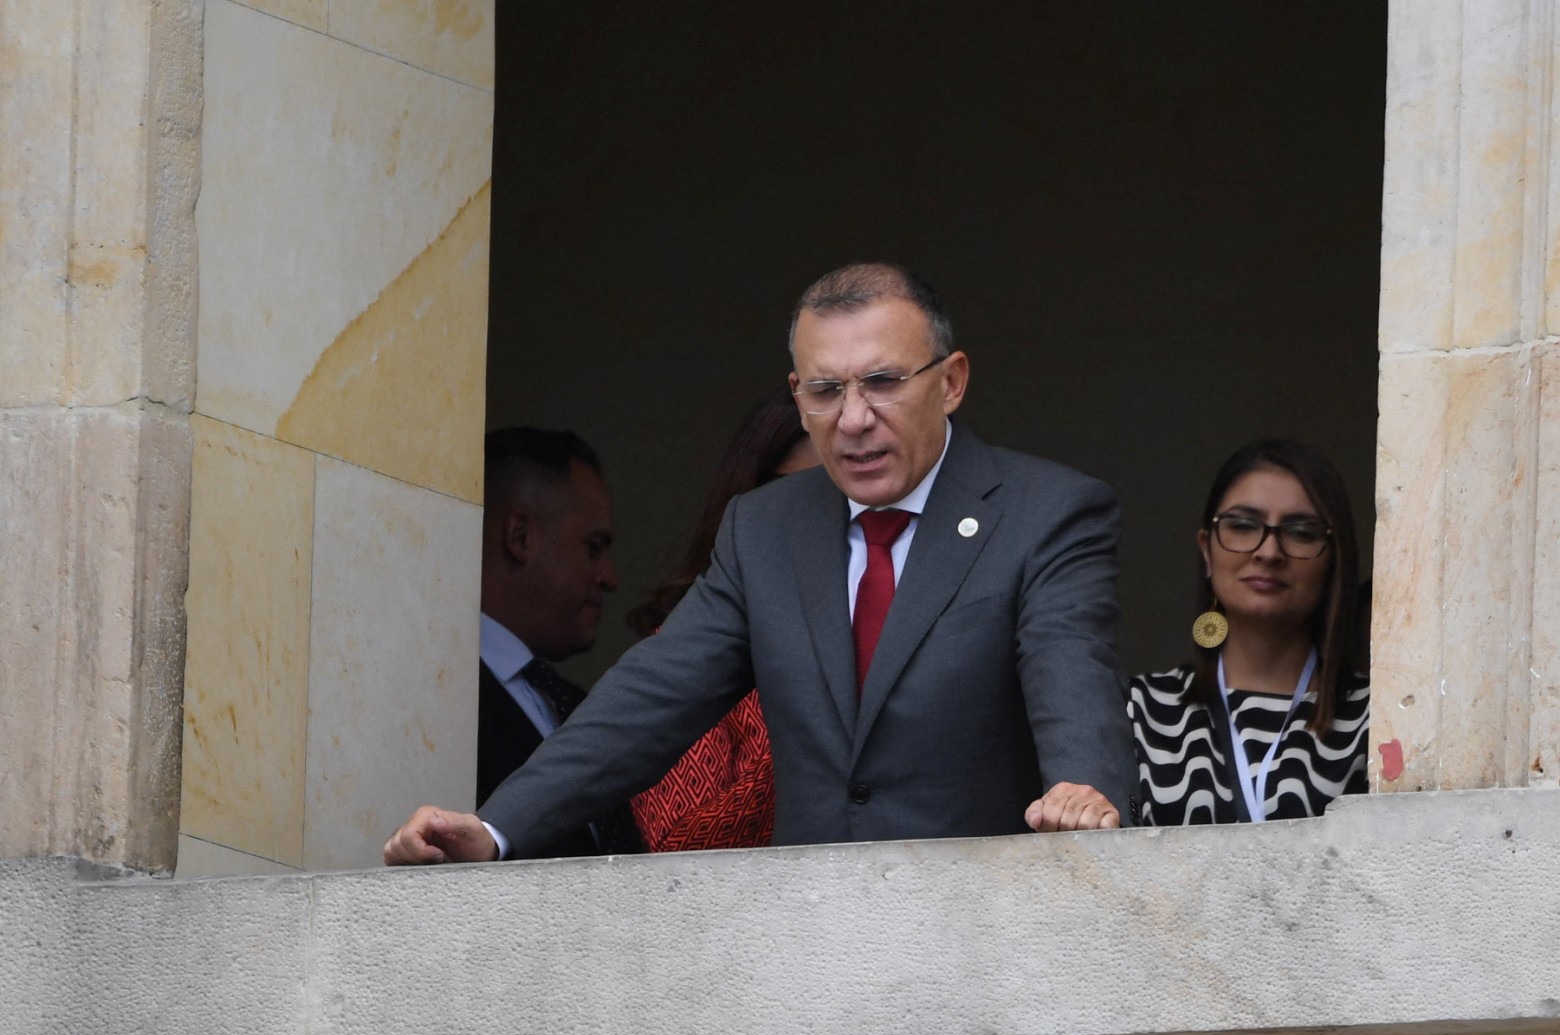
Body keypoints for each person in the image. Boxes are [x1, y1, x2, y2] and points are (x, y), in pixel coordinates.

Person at [385, 262, 1134, 865]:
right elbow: (650, 699)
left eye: (882, 382)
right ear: (796, 396)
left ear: (951, 381)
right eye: (825, 389)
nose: (853, 418)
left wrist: (1083, 790)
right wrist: (495, 830)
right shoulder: (766, 528)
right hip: (802, 947)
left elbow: (1069, 670)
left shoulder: (1045, 512)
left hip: (978, 935)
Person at [1128, 438, 1369, 825]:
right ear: (1207, 550)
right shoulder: (1137, 710)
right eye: (1242, 525)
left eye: (1301, 532)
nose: (1269, 551)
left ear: (1333, 559)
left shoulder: (1376, 719)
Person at [623, 391, 819, 851]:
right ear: (750, 503)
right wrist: (818, 730)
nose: (830, 520)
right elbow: (677, 846)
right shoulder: (697, 647)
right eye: (804, 494)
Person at [476, 427, 644, 856]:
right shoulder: (441, 700)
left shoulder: (576, 706)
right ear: (520, 537)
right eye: (594, 547)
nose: (609, 577)